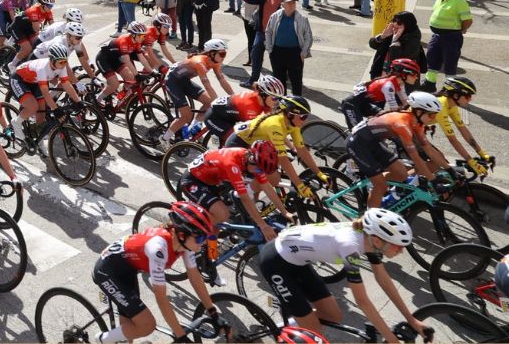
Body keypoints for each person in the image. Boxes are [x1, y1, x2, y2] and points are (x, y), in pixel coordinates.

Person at [258, 209, 429, 343]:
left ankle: (290, 322)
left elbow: (384, 280)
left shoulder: (369, 240)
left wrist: (412, 320)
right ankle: (291, 327)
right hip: (275, 262)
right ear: (378, 240)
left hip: (297, 261)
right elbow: (362, 301)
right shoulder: (350, 247)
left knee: (334, 316)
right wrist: (392, 340)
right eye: (398, 246)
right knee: (314, 332)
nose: (401, 250)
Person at [92, 202, 218, 343]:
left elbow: (195, 276)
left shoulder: (185, 244)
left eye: (205, 237)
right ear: (182, 235)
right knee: (147, 326)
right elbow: (161, 298)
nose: (203, 242)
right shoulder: (158, 249)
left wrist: (213, 312)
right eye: (200, 238)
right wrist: (181, 335)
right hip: (108, 271)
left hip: (127, 269)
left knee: (130, 332)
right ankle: (101, 340)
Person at [346, 91, 449, 208]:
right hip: (358, 144)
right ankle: (368, 220)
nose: (433, 118)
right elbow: (415, 157)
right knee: (381, 186)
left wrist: (450, 170)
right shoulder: (402, 124)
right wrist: (433, 180)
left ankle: (375, 183)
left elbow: (428, 149)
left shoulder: (417, 123)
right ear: (419, 112)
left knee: (402, 174)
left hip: (373, 142)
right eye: (431, 115)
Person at [424, 0, 472, 91]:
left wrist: (462, 30)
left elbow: (468, 20)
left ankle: (449, 88)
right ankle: (429, 84)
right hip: (437, 36)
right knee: (432, 59)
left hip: (451, 37)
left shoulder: (460, 1)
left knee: (450, 63)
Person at [264, 0, 312, 95]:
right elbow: (268, 32)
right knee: (279, 82)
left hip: (295, 53)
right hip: (277, 52)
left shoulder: (302, 18)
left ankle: (297, 106)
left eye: (293, 3)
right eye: (289, 3)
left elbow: (308, 37)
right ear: (282, 5)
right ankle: (282, 104)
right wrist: (270, 50)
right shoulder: (275, 16)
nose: (292, 5)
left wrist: (303, 53)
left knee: (296, 81)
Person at [368, 11, 423, 79]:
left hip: (398, 78)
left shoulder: (413, 39)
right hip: (380, 73)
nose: (395, 24)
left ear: (408, 24)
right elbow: (372, 45)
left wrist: (395, 41)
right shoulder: (392, 31)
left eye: (399, 22)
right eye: (394, 20)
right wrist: (382, 36)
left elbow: (398, 59)